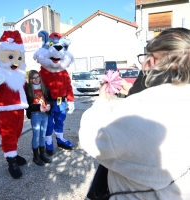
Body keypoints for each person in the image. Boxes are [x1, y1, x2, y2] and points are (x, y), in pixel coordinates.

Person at [79, 27, 190, 199]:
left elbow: (92, 136)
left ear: (151, 62)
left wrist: (101, 101)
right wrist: (132, 91)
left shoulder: (136, 111)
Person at [0, 30, 28, 179]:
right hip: (5, 108)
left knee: (17, 133)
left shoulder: (20, 72)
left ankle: (13, 154)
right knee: (8, 134)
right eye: (11, 57)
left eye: (18, 57)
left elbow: (25, 88)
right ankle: (11, 161)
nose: (15, 61)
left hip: (19, 107)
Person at [33, 31, 75, 155]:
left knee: (60, 120)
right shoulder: (43, 72)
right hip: (49, 102)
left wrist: (71, 100)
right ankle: (48, 141)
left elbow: (68, 86)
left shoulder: (64, 72)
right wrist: (41, 103)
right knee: (48, 122)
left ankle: (60, 139)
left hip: (61, 101)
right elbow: (38, 89)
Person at [25, 70, 52, 166]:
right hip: (35, 114)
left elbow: (49, 99)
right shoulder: (28, 89)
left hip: (45, 114)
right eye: (34, 78)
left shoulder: (44, 87)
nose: (36, 79)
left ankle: (42, 154)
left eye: (38, 77)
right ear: (30, 79)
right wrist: (38, 107)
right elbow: (27, 104)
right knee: (36, 135)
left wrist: (48, 105)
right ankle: (35, 157)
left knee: (43, 134)